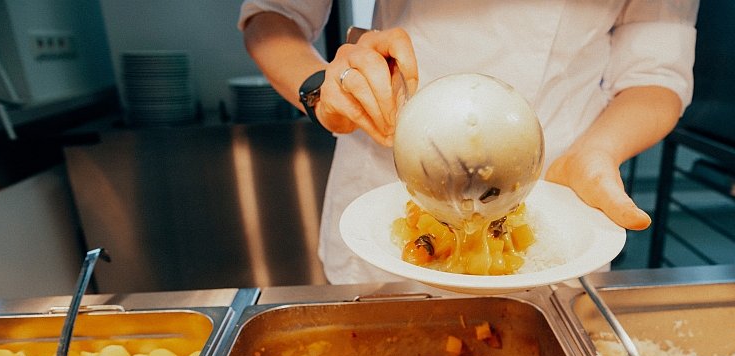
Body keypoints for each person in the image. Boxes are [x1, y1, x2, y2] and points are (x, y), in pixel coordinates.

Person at [239, 0, 699, 284]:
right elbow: (273, 14)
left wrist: (595, 153)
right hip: (385, 181)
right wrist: (321, 88)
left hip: (551, 193)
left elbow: (655, 75)